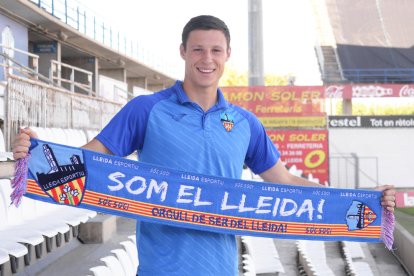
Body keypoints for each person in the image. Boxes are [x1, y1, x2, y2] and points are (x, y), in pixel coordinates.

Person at [13, 15, 396, 276]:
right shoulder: (146, 110)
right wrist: (37, 152)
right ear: (183, 52)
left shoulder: (245, 123)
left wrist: (366, 200)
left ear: (227, 55)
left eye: (215, 50)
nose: (206, 58)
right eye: (197, 49)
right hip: (160, 268)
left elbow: (285, 182)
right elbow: (91, 159)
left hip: (221, 268)